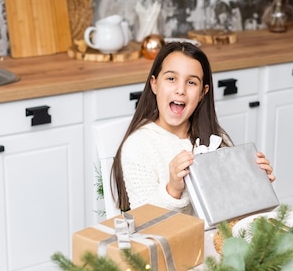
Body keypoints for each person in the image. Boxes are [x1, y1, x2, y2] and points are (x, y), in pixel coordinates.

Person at [111, 41, 275, 214]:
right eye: (171, 79)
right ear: (154, 84)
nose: (180, 90)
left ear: (203, 93)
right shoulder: (138, 145)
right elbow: (144, 219)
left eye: (191, 82)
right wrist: (173, 189)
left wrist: (257, 184)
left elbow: (233, 208)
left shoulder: (216, 138)